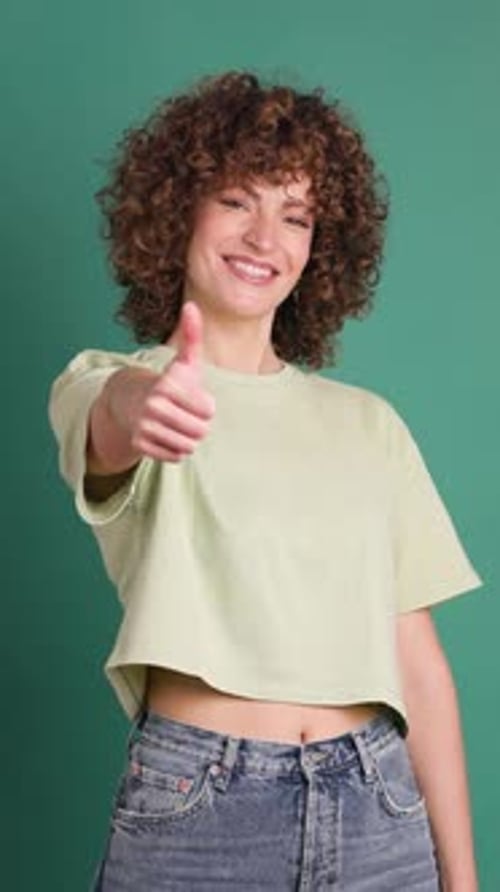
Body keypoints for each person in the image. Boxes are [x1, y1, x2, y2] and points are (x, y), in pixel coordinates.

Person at [49, 71, 482, 891]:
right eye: (237, 201)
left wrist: (461, 880)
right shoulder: (108, 381)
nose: (264, 237)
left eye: (296, 215)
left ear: (322, 246)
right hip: (200, 812)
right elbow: (109, 424)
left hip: (380, 814)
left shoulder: (370, 424)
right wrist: (145, 405)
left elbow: (418, 667)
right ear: (179, 209)